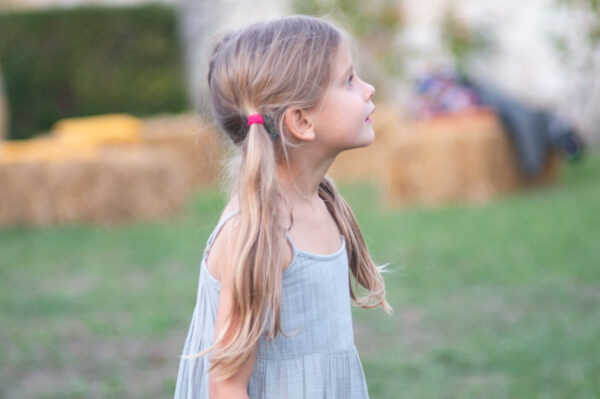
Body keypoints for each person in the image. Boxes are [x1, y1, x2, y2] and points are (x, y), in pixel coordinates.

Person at [174, 15, 393, 399]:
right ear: (301, 121)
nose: (369, 89)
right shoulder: (258, 233)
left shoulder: (325, 203)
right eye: (349, 80)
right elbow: (226, 386)